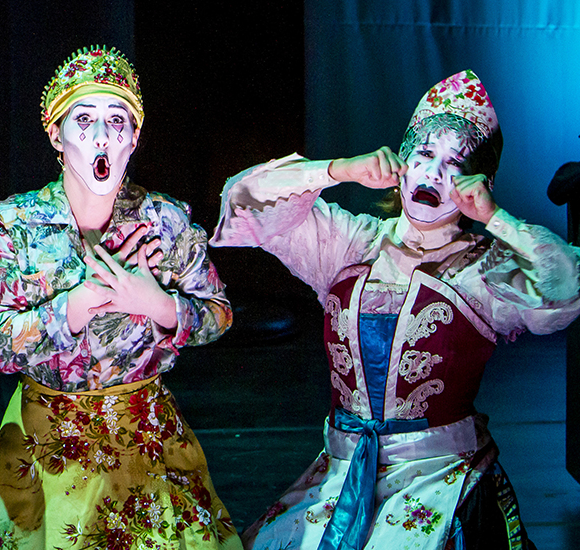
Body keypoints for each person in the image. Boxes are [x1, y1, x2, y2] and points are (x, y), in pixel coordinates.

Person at [211, 70, 580, 549]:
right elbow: (240, 205)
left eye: (455, 164)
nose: (432, 174)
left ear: (477, 183)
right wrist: (339, 168)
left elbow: (567, 291)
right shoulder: (349, 244)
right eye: (424, 154)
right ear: (401, 161)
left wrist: (495, 218)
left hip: (442, 479)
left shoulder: (483, 269)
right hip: (340, 476)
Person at [0, 46, 241, 550]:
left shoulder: (165, 220)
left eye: (117, 120)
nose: (102, 136)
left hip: (144, 434)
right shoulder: (16, 225)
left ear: (135, 138)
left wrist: (159, 304)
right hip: (45, 439)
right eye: (84, 119)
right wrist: (78, 303)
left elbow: (220, 313)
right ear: (56, 134)